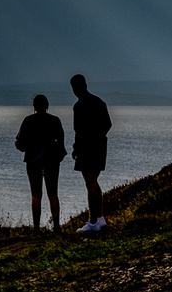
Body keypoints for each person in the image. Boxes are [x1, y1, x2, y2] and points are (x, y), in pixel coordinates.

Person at [14, 93, 65, 230]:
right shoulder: (55, 120)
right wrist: (58, 156)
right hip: (52, 162)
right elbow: (61, 144)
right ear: (47, 106)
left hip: (33, 161)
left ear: (34, 106)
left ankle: (36, 228)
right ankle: (56, 226)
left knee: (36, 195)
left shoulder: (28, 120)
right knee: (53, 194)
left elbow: (20, 143)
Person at [70, 74, 111, 233]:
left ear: (74, 88)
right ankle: (99, 218)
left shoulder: (79, 106)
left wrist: (76, 147)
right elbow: (108, 124)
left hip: (87, 147)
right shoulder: (99, 102)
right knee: (93, 181)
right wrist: (99, 136)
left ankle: (93, 221)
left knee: (90, 182)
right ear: (85, 84)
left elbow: (78, 130)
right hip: (100, 145)